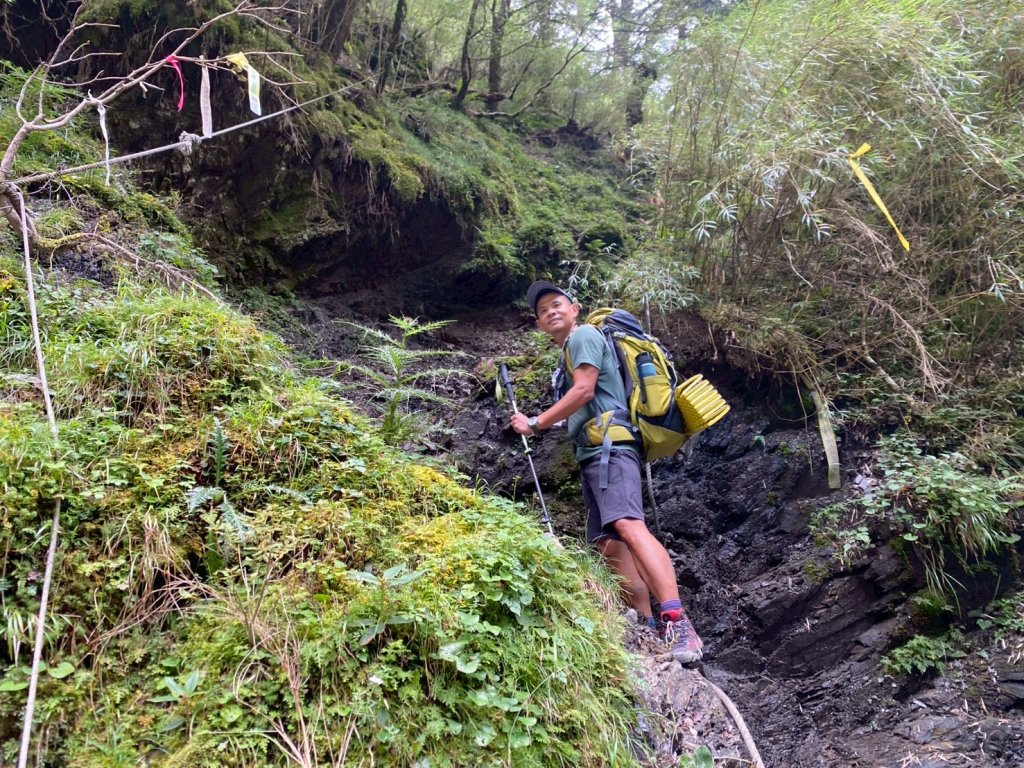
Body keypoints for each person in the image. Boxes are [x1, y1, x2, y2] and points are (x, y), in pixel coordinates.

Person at [509, 280, 704, 663]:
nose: (550, 311)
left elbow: (583, 391)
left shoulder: (583, 336)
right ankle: (646, 629)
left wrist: (535, 424)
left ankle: (678, 623)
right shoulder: (569, 351)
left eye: (557, 303)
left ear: (575, 308)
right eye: (543, 310)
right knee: (607, 541)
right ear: (538, 325)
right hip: (594, 452)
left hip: (611, 446)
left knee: (629, 525)